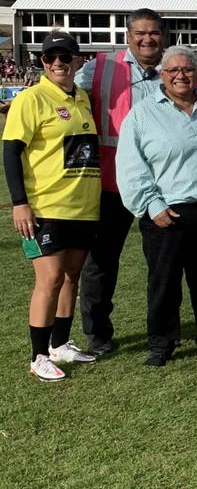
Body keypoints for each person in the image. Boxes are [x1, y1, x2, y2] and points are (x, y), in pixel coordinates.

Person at [117, 46, 197, 367]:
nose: (181, 75)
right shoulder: (143, 113)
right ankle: (161, 343)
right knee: (164, 282)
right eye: (173, 71)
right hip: (167, 213)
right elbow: (130, 165)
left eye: (188, 70)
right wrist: (151, 205)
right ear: (162, 75)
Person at [5, 32, 101, 381]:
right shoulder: (31, 99)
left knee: (71, 277)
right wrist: (20, 203)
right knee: (49, 279)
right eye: (51, 58)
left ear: (77, 61)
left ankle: (60, 345)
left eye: (65, 57)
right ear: (42, 62)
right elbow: (11, 152)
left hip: (83, 206)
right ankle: (38, 355)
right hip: (45, 207)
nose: (58, 63)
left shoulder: (83, 98)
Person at [75, 8, 165, 356]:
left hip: (159, 186)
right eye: (140, 32)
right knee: (100, 263)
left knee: (161, 264)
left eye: (154, 32)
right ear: (128, 35)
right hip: (109, 184)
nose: (147, 39)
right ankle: (97, 333)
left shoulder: (175, 70)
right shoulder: (99, 66)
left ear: (163, 36)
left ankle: (160, 332)